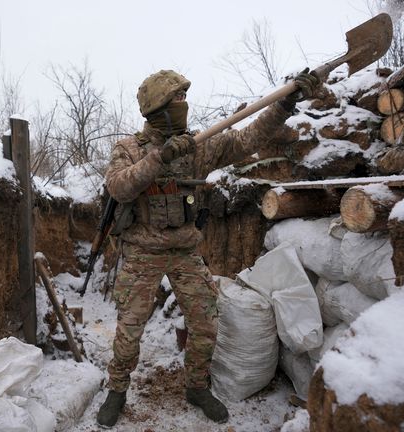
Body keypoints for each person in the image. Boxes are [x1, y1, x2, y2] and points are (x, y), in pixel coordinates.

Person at [97, 68, 320, 427]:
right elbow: (119, 188)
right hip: (142, 253)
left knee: (206, 324)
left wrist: (284, 105)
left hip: (185, 249)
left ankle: (197, 387)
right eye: (177, 99)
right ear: (157, 107)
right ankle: (118, 390)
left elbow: (247, 139)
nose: (184, 103)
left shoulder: (199, 145)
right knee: (129, 329)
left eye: (185, 97)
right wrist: (160, 158)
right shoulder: (128, 149)